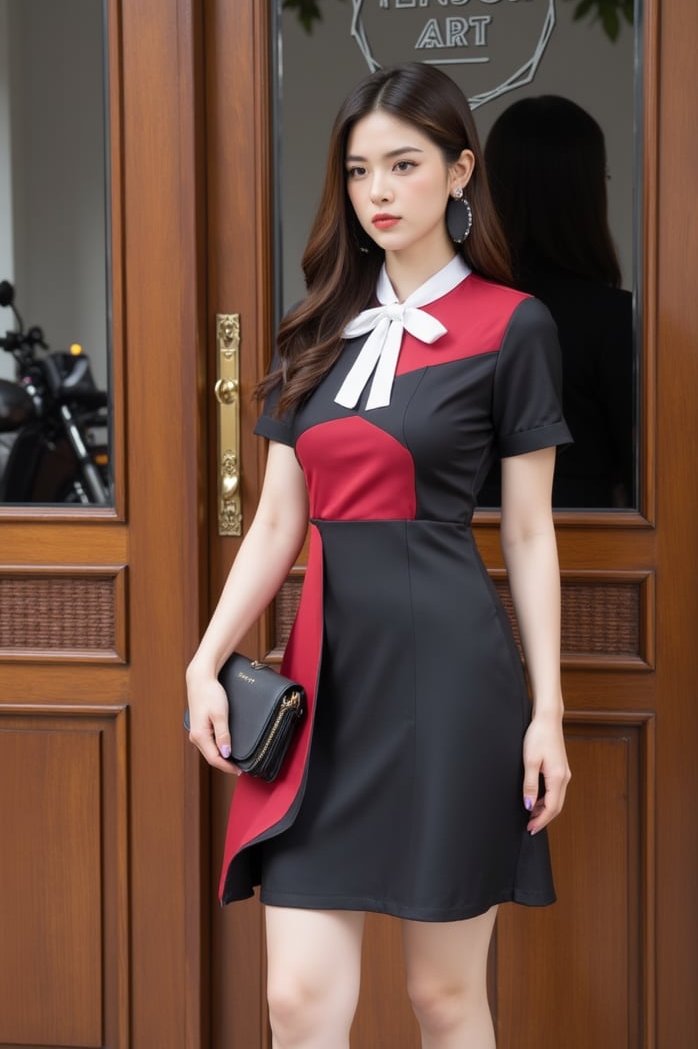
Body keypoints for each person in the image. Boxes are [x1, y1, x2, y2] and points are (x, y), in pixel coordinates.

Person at [186, 61, 572, 1049]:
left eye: (404, 165)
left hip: (451, 685)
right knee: (297, 1001)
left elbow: (529, 531)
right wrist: (206, 659)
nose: (379, 193)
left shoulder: (512, 326)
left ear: (459, 172)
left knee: (445, 1000)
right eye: (360, 172)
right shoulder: (313, 332)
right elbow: (278, 523)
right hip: (328, 689)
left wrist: (549, 714)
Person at [483, 94, 634, 509]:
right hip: (592, 550)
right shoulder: (616, 319)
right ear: (586, 192)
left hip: (460, 548)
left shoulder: (451, 310)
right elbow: (646, 473)